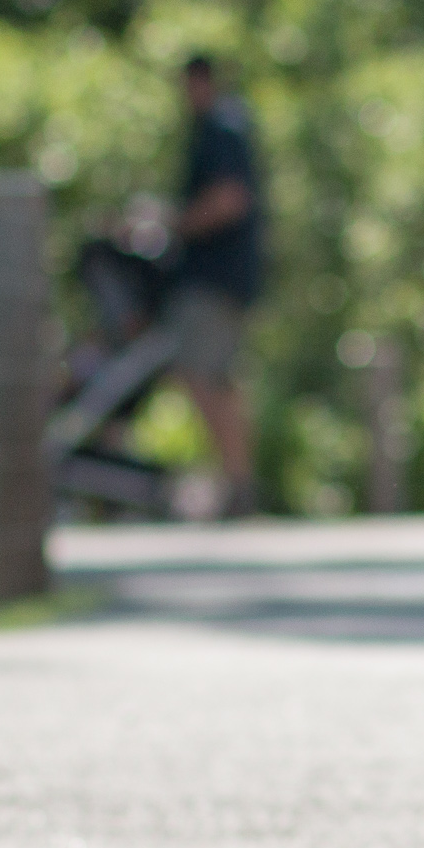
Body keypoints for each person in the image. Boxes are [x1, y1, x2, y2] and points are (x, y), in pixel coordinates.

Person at [168, 53, 264, 519]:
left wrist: (176, 225)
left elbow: (229, 200)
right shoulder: (229, 125)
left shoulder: (220, 128)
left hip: (215, 278)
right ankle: (234, 480)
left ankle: (235, 482)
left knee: (204, 374)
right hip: (226, 276)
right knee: (216, 377)